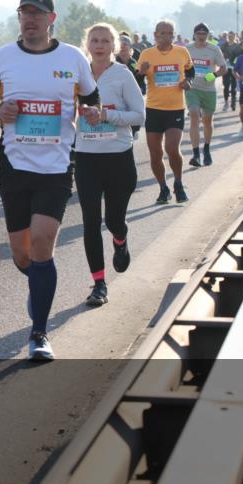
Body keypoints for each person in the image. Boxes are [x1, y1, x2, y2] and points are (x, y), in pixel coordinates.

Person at [0, 0, 100, 360]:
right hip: (14, 167)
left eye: (36, 13)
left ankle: (39, 333)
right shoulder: (3, 57)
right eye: (23, 14)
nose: (29, 20)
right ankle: (39, 286)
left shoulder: (72, 57)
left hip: (56, 167)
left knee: (43, 243)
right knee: (23, 255)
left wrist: (91, 112)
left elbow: (90, 98)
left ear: (51, 19)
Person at [75, 23, 145, 307]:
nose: (100, 44)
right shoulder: (76, 78)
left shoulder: (122, 75)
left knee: (113, 220)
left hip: (118, 158)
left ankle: (120, 238)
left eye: (105, 40)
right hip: (87, 158)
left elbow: (140, 115)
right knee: (90, 222)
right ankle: (99, 283)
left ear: (114, 46)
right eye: (95, 40)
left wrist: (106, 116)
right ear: (87, 45)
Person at [137, 20, 194, 204]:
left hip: (175, 108)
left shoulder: (181, 52)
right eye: (163, 33)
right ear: (155, 35)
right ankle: (163, 187)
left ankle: (178, 182)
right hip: (153, 108)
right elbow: (137, 79)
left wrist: (188, 82)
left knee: (171, 148)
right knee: (155, 153)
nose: (167, 37)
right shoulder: (147, 54)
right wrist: (142, 72)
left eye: (170, 33)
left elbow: (190, 71)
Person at [185, 23, 228, 167]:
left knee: (207, 121)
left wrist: (214, 75)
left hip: (209, 90)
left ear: (208, 35)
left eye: (204, 33)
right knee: (194, 115)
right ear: (194, 35)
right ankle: (196, 154)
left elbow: (223, 68)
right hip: (193, 88)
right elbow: (181, 66)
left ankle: (207, 149)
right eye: (199, 33)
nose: (201, 36)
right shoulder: (188, 49)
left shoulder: (214, 49)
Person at [116, 34, 145, 139]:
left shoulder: (134, 63)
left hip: (132, 97)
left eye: (125, 45)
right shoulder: (113, 62)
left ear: (130, 48)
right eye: (120, 45)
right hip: (118, 98)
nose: (122, 47)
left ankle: (134, 131)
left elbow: (138, 81)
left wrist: (142, 74)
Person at [220, 31, 241, 111]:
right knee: (226, 85)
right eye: (229, 36)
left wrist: (234, 61)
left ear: (235, 37)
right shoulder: (224, 46)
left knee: (233, 86)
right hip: (225, 67)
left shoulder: (237, 46)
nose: (230, 37)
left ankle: (233, 102)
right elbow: (220, 54)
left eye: (232, 36)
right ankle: (226, 102)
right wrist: (224, 58)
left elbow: (239, 56)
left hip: (234, 68)